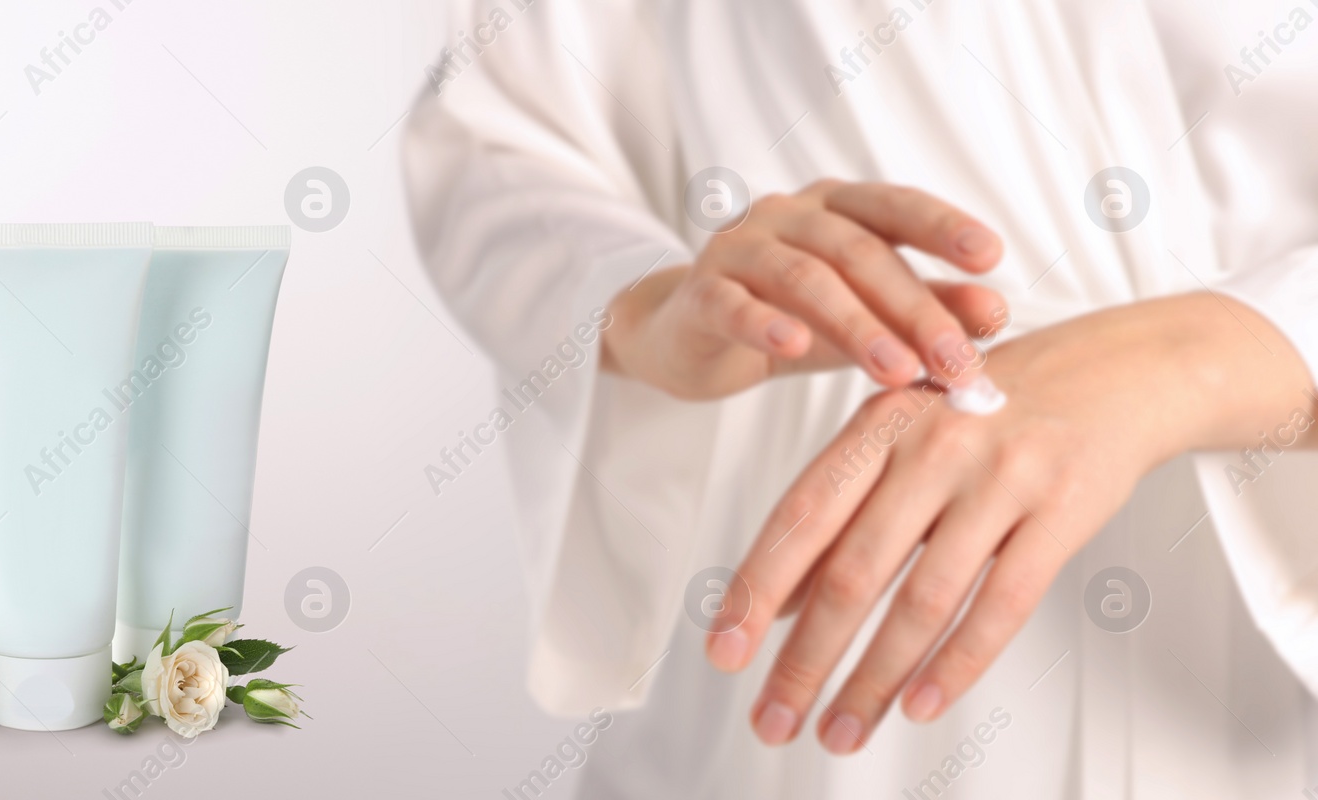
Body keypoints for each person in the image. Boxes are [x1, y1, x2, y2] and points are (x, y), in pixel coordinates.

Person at [403, 1, 1318, 797]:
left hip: (1270, 555)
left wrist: (1208, 356)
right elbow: (498, 119)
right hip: (815, 509)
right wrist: (641, 302)